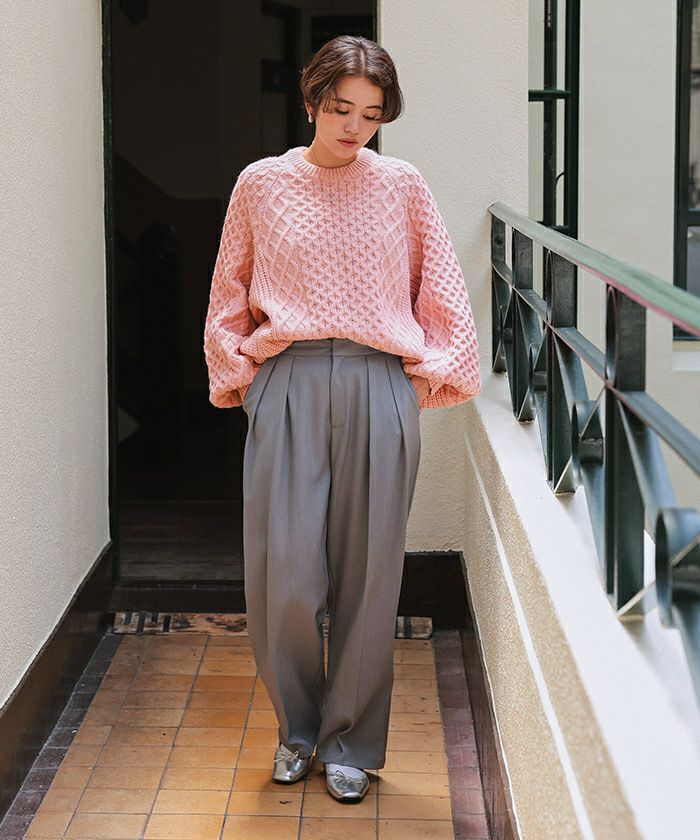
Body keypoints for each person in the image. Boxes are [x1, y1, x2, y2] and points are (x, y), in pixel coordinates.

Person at [203, 34, 481, 803]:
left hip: (377, 381)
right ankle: (297, 732)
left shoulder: (401, 185)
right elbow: (228, 291)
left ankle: (351, 742)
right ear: (310, 101)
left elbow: (441, 290)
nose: (355, 126)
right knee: (285, 575)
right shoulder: (261, 183)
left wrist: (420, 380)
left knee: (369, 574)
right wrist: (247, 383)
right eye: (340, 108)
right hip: (287, 381)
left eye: (371, 113)